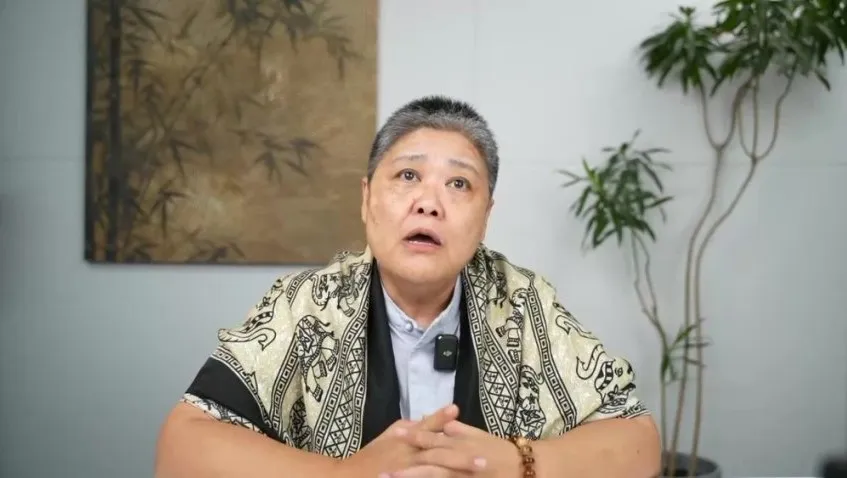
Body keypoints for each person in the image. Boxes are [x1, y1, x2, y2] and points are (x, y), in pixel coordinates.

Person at [154, 96, 661, 478]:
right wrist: (344, 474)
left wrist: (517, 462)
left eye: (459, 184)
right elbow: (183, 445)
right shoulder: (306, 304)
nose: (428, 203)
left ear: (485, 216)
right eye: (407, 176)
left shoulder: (523, 301)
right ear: (366, 199)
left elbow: (638, 441)